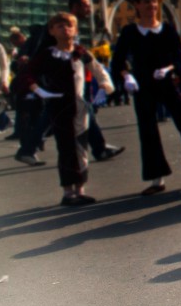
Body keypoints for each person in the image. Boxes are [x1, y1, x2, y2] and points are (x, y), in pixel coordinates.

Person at [111, 0, 181, 195]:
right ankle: (156, 179)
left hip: (165, 81)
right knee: (148, 130)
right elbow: (118, 62)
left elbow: (178, 57)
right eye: (146, 2)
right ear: (137, 5)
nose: (151, 6)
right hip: (142, 84)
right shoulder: (130, 32)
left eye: (154, 2)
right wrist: (127, 77)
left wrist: (168, 68)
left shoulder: (167, 30)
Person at [14, 0, 125, 163]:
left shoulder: (69, 26)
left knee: (66, 110)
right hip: (55, 77)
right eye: (86, 5)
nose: (89, 9)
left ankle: (29, 149)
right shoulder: (60, 24)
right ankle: (97, 149)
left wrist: (104, 83)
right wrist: (38, 79)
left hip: (66, 78)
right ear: (75, 6)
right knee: (59, 111)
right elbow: (41, 50)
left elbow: (87, 58)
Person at [20, 12, 114, 205]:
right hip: (59, 106)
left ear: (76, 29)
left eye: (69, 25)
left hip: (79, 107)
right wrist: (38, 90)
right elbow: (28, 73)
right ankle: (67, 191)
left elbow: (98, 70)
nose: (66, 29)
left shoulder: (80, 52)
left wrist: (105, 87)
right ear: (52, 31)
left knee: (81, 147)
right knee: (65, 148)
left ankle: (80, 188)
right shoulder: (47, 54)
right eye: (60, 26)